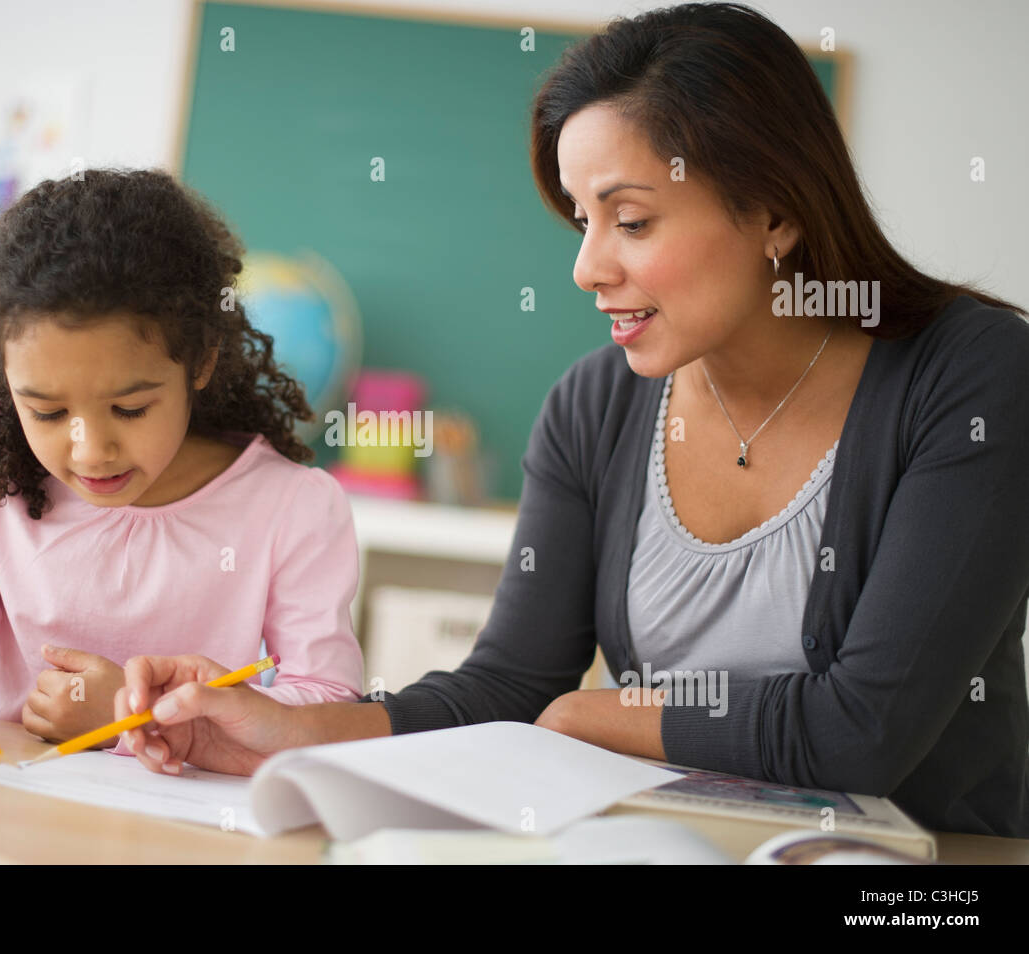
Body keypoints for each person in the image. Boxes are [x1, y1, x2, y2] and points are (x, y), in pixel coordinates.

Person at [112, 4, 1029, 837]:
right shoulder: (594, 406)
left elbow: (860, 731)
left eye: (630, 221)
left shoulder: (975, 376)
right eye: (580, 220)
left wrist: (598, 713)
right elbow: (512, 682)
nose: (587, 267)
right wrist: (294, 733)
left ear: (775, 211)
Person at [0, 169, 364, 756]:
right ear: (4, 375)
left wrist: (137, 717)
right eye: (47, 412)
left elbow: (326, 705)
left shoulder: (293, 507)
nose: (90, 450)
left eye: (129, 409)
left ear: (200, 362)